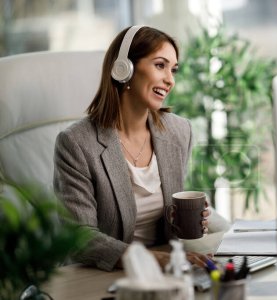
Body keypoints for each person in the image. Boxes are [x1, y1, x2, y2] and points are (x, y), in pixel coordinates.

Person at [53, 25, 215, 272]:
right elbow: (79, 237)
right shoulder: (76, 143)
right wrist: (149, 259)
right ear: (123, 69)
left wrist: (185, 219)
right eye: (160, 65)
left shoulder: (179, 131)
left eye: (174, 70)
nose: (170, 80)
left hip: (170, 269)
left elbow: (168, 224)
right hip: (105, 274)